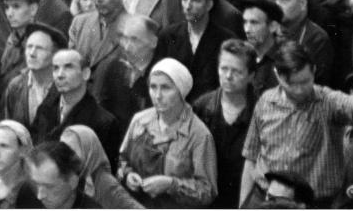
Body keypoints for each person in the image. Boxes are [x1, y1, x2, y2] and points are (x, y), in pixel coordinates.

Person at [240, 41, 353, 206]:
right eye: (292, 84)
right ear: (277, 75)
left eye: (305, 81)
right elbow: (250, 156)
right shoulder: (265, 101)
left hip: (311, 203)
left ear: (314, 71)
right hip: (265, 199)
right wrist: (242, 205)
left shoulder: (328, 102)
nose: (300, 89)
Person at [118, 58, 217, 207]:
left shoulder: (199, 134)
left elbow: (207, 191)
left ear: (181, 90)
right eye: (153, 87)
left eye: (165, 88)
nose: (157, 95)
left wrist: (171, 185)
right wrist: (127, 175)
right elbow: (122, 159)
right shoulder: (139, 121)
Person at [192, 39, 258, 209]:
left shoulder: (261, 111)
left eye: (236, 71)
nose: (228, 76)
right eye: (224, 69)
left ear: (251, 75)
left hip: (245, 200)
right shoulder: (201, 106)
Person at [60, 124, 144, 208]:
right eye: (62, 150)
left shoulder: (105, 183)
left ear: (88, 151)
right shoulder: (71, 176)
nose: (65, 156)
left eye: (71, 151)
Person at [25, 139, 101, 209]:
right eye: (35, 183)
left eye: (49, 187)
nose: (40, 196)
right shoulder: (26, 195)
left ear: (73, 182)